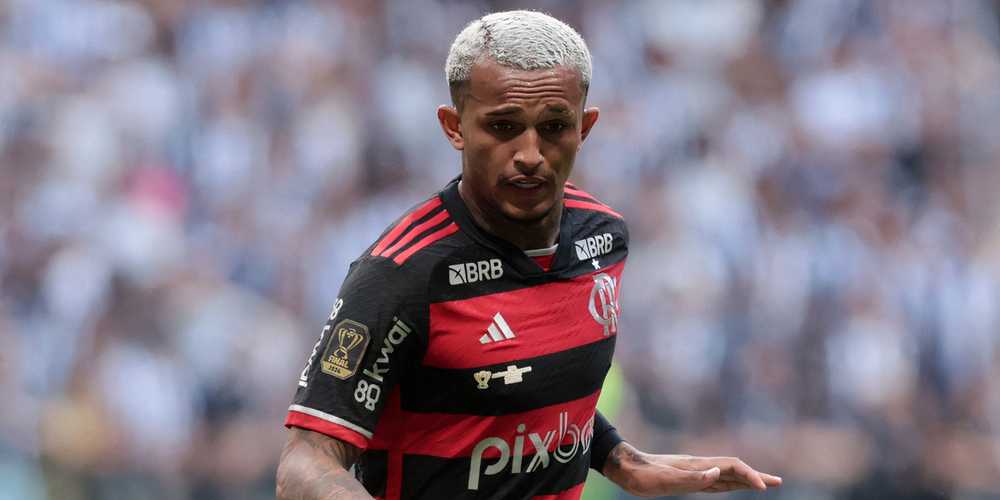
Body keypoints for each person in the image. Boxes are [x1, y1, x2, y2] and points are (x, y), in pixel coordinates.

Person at [276, 10, 782, 500]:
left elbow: (523, 383)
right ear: (454, 126)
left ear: (585, 127)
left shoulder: (603, 239)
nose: (531, 154)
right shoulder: (403, 274)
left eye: (555, 126)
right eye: (503, 127)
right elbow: (306, 461)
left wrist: (620, 459)